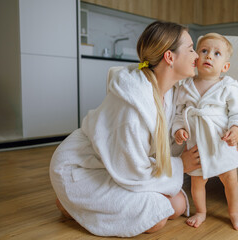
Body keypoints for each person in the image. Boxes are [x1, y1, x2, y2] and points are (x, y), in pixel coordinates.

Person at [49, 21, 201, 237]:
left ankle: (83, 205)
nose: (196, 56)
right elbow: (131, 171)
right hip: (80, 170)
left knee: (175, 205)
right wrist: (180, 166)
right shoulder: (132, 106)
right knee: (157, 217)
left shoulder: (170, 92)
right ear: (169, 57)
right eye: (191, 49)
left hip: (115, 169)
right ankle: (72, 203)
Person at [172, 33, 238, 230]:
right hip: (196, 144)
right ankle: (201, 211)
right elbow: (179, 112)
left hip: (221, 143)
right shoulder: (185, 86)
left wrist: (236, 128)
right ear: (196, 58)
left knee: (230, 179)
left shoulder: (228, 86)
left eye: (216, 53)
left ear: (225, 66)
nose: (209, 56)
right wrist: (179, 129)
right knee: (197, 182)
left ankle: (234, 212)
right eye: (204, 51)